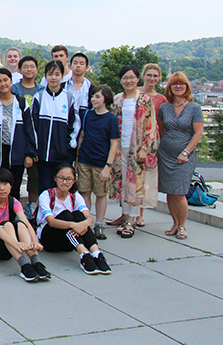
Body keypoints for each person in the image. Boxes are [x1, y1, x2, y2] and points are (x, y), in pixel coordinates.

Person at [107, 65, 158, 238]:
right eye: (125, 78)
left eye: (131, 77)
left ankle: (131, 221)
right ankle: (124, 216)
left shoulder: (144, 100)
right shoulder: (117, 100)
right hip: (120, 148)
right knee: (123, 183)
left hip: (137, 149)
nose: (128, 81)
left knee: (135, 185)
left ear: (137, 79)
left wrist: (145, 148)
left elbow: (151, 125)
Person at [0, 168, 51, 281]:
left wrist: (34, 241)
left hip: (8, 249)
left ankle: (36, 262)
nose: (2, 188)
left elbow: (26, 222)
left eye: (5, 184)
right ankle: (24, 266)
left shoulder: (13, 201)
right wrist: (16, 244)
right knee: (7, 225)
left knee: (20, 224)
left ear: (11, 185)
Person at [36, 165, 112, 275]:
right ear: (55, 178)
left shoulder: (75, 196)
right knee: (66, 214)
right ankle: (84, 255)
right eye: (61, 178)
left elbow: (89, 218)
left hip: (69, 241)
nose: (64, 182)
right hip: (49, 239)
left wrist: (83, 224)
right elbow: (51, 221)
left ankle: (96, 253)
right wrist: (73, 225)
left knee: (78, 214)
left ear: (74, 180)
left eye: (68, 179)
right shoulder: (46, 195)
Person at [157, 72, 204, 240]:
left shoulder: (194, 107)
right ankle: (175, 223)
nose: (178, 86)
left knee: (179, 192)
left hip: (185, 156)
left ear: (187, 86)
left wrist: (185, 152)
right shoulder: (165, 107)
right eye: (174, 84)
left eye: (181, 84)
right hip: (166, 155)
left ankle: (183, 225)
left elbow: (198, 133)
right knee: (170, 192)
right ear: (170, 88)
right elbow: (162, 130)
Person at [0, 68, 33, 207]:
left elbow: (29, 130)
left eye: (5, 80)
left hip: (18, 152)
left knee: (15, 186)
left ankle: (14, 215)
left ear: (11, 81)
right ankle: (0, 214)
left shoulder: (22, 103)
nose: (3, 83)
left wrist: (29, 153)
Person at [76, 85, 119, 241]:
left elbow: (114, 143)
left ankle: (99, 223)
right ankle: (87, 221)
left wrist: (108, 166)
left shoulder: (112, 119)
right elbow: (82, 135)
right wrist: (77, 157)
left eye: (98, 96)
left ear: (105, 99)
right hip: (85, 159)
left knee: (101, 193)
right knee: (84, 191)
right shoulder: (87, 114)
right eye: (93, 96)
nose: (94, 99)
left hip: (101, 162)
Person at [30, 61, 80, 193]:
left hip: (63, 154)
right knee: (44, 186)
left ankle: (61, 213)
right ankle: (45, 213)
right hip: (43, 154)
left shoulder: (69, 98)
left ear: (62, 76)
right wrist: (35, 148)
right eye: (50, 74)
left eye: (57, 74)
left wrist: (69, 144)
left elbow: (75, 123)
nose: (53, 77)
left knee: (62, 187)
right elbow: (32, 124)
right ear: (45, 76)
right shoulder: (39, 97)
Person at [11, 56, 44, 217]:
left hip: (35, 136)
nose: (29, 69)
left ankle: (32, 207)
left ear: (37, 70)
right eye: (25, 67)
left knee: (34, 177)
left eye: (32, 66)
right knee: (15, 179)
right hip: (18, 135)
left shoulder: (42, 91)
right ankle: (13, 210)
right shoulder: (14, 89)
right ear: (19, 70)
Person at [137, 63, 167, 226]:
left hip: (150, 141)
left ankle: (140, 214)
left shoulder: (161, 99)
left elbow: (161, 125)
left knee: (145, 178)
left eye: (155, 76)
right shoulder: (134, 92)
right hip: (134, 138)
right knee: (128, 177)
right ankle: (125, 214)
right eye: (149, 75)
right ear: (143, 75)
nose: (152, 78)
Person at [65, 52, 93, 124]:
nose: (78, 66)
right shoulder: (62, 86)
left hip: (84, 127)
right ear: (70, 66)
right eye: (75, 63)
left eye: (81, 63)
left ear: (87, 68)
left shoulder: (91, 89)